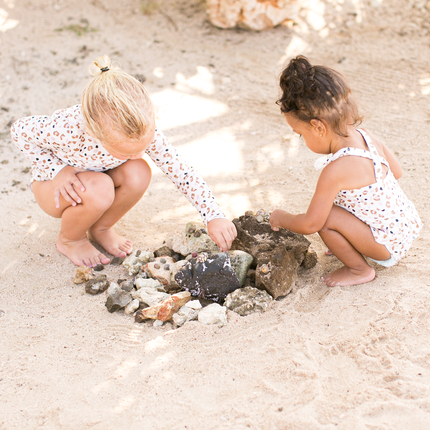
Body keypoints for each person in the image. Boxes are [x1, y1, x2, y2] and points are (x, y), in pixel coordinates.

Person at [11, 55, 237, 268]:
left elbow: (182, 172)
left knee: (139, 171)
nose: (137, 154)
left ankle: (101, 227)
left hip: (95, 179)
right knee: (100, 188)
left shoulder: (143, 128)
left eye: (143, 147)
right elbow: (19, 130)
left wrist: (213, 215)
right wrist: (57, 170)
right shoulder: (68, 127)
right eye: (126, 152)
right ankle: (70, 239)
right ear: (94, 132)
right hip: (54, 187)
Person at [269, 55, 422, 287]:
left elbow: (310, 224)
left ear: (318, 127)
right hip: (404, 228)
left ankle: (358, 269)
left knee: (326, 217)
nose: (301, 139)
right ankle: (352, 240)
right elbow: (396, 172)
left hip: (384, 246)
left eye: (301, 134)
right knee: (342, 202)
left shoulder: (336, 170)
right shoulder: (366, 136)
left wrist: (282, 217)